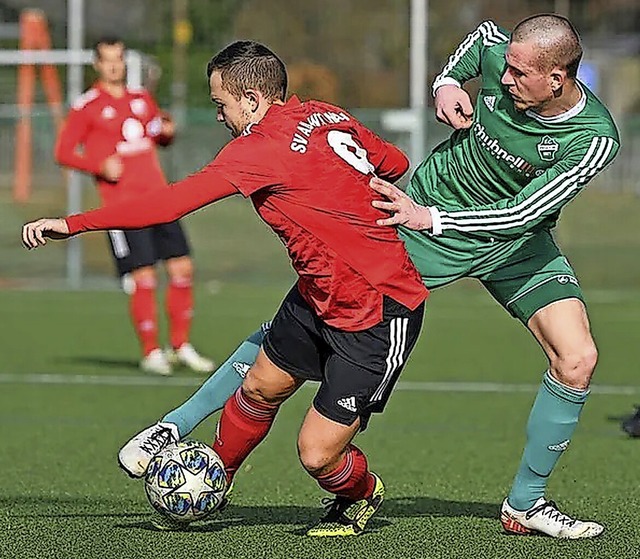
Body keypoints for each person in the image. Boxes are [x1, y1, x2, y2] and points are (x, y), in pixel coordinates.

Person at [97, 14, 619, 540]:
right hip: (416, 216)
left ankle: (525, 504)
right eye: (504, 70)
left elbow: (524, 213)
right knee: (308, 316)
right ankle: (176, 426)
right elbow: (483, 37)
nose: (505, 80)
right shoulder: (503, 56)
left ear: (557, 78)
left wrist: (430, 218)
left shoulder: (593, 138)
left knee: (577, 359)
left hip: (501, 237)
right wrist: (445, 84)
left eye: (519, 75)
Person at [23, 40, 428, 537]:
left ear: (254, 100)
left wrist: (74, 222)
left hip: (379, 307)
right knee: (257, 386)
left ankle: (362, 494)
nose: (219, 116)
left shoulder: (257, 149)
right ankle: (214, 482)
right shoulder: (327, 113)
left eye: (222, 104)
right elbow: (394, 162)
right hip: (318, 293)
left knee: (317, 454)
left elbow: (167, 205)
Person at [54, 37, 213, 376]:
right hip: (123, 207)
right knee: (143, 276)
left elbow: (158, 135)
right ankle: (151, 351)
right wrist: (99, 166)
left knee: (182, 269)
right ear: (96, 65)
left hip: (160, 199)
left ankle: (180, 345)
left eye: (119, 59)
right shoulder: (87, 106)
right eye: (107, 60)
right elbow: (64, 152)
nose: (114, 65)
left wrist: (168, 132)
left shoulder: (141, 98)